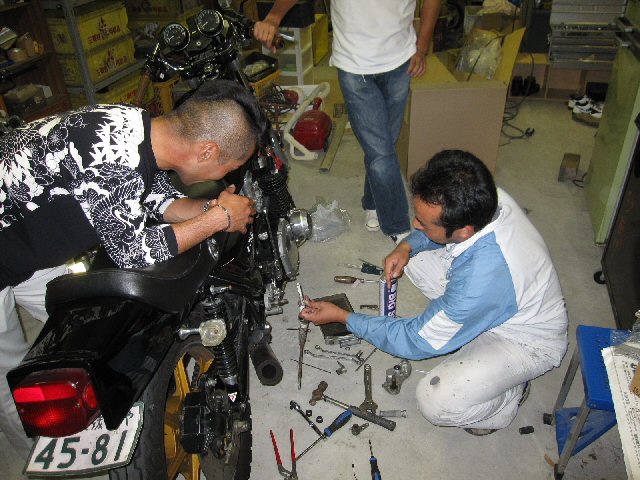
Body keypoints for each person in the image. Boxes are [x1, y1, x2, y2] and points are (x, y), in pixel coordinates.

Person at [0, 79, 268, 458]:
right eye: (231, 166)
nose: (225, 176)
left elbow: (151, 194)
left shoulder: (138, 129)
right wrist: (218, 219)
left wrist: (210, 210)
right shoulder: (108, 152)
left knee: (82, 338)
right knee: (14, 375)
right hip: (7, 252)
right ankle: (30, 452)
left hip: (28, 246)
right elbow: (133, 250)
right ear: (207, 150)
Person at [301, 150, 568, 435]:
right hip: (498, 296)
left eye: (423, 223)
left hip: (525, 341)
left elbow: (414, 340)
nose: (415, 224)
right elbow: (427, 238)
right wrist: (406, 247)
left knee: (436, 401)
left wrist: (344, 317)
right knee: (413, 255)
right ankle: (460, 326)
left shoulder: (480, 281)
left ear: (464, 231)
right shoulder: (487, 197)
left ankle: (509, 395)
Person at [254, 0, 441, 242]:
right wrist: (273, 18)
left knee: (383, 145)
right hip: (355, 67)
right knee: (381, 152)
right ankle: (397, 226)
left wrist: (422, 47)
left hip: (401, 61)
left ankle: (372, 201)